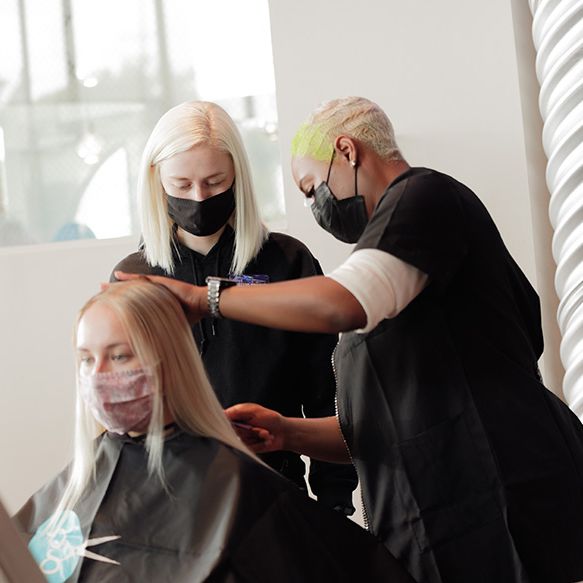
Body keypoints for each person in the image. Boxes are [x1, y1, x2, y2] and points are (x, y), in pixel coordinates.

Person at [117, 97, 583, 583]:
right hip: (430, 516)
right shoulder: (394, 264)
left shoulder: (423, 199)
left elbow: (341, 303)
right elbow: (371, 426)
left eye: (313, 186)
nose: (316, 205)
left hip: (501, 501)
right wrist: (286, 431)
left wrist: (204, 299)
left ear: (347, 151)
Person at [14, 280, 413, 583]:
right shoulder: (72, 484)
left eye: (120, 355)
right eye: (86, 359)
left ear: (168, 359)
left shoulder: (236, 486)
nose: (99, 375)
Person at [111, 100, 357, 514]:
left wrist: (335, 502)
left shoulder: (287, 262)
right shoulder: (133, 277)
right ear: (156, 180)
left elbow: (324, 391)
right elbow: (123, 406)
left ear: (237, 177)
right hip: (172, 500)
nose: (199, 196)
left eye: (214, 181)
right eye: (182, 184)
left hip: (275, 491)